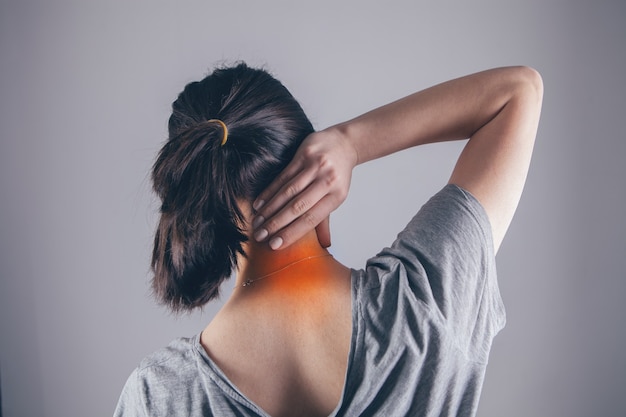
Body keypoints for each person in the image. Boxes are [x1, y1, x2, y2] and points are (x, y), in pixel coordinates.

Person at [114, 62, 543, 417]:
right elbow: (518, 92)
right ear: (318, 174)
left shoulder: (159, 397)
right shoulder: (423, 301)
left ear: (198, 208)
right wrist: (351, 141)